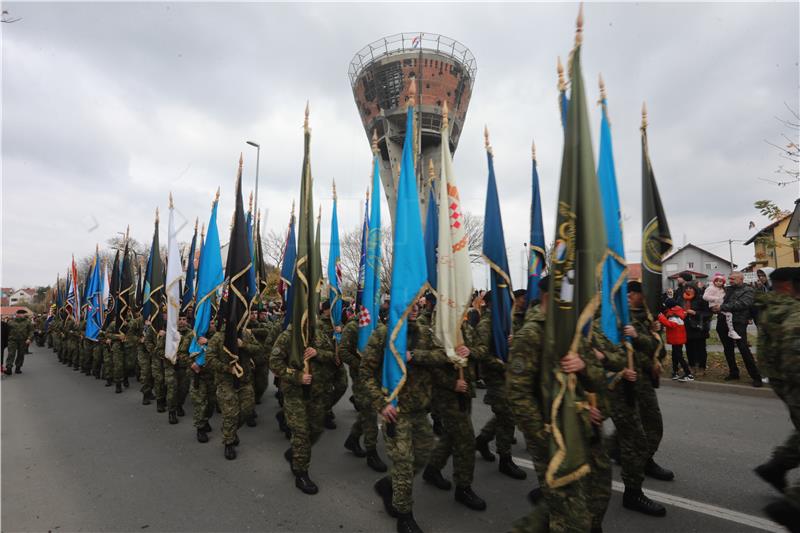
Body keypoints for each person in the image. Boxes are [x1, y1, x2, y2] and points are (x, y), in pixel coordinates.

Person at [362, 304, 449, 533]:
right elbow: (366, 373)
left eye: (417, 303)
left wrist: (414, 356)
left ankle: (387, 485)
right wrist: (381, 404)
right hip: (395, 411)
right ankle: (404, 515)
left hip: (420, 411)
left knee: (422, 455)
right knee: (403, 463)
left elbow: (442, 356)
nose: (415, 308)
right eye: (409, 303)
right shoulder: (382, 334)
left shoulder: (424, 332)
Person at [609, 281, 670, 517]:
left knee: (642, 429)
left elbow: (659, 349)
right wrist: (643, 342)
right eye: (638, 293)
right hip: (622, 381)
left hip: (642, 380)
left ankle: (640, 461)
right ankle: (633, 484)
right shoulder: (616, 318)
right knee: (637, 434)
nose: (642, 297)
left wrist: (649, 337)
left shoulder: (646, 317)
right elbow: (619, 352)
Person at [754, 267, 800, 530]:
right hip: (792, 379)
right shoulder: (790, 310)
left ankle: (776, 466)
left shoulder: (772, 306)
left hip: (781, 379)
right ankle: (794, 505)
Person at [270, 324, 334, 493]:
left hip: (316, 393)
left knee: (317, 429)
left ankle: (296, 452)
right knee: (301, 434)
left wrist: (317, 353)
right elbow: (274, 362)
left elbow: (332, 355)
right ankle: (301, 473)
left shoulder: (319, 334)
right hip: (294, 394)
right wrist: (297, 376)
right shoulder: (287, 336)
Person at [206, 322, 257, 461]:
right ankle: (228, 443)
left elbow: (259, 349)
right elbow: (209, 359)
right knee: (230, 413)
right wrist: (227, 368)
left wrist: (244, 345)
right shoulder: (217, 337)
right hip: (225, 382)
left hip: (244, 381)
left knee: (247, 410)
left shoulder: (246, 334)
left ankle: (230, 430)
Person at [709, 272, 763, 387]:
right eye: (730, 278)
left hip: (738, 323)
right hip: (723, 321)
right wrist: (714, 308)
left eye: (733, 279)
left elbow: (743, 304)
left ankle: (756, 376)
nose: (731, 280)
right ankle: (733, 372)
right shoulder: (727, 289)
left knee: (743, 349)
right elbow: (716, 299)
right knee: (728, 349)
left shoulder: (748, 290)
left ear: (741, 279)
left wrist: (722, 307)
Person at [657, 298, 693, 381]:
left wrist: (661, 317)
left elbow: (671, 325)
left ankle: (688, 374)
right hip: (676, 338)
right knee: (675, 355)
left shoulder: (673, 314)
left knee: (679, 356)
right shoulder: (677, 311)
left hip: (677, 338)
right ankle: (675, 372)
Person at [681, 285, 710, 376]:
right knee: (689, 348)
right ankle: (692, 366)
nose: (688, 289)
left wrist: (695, 313)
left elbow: (708, 313)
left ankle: (702, 367)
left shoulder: (701, 299)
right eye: (687, 288)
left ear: (695, 290)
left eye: (691, 288)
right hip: (686, 327)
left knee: (700, 348)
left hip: (699, 328)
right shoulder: (681, 299)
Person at [703, 273, 740, 340]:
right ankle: (731, 331)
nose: (718, 283)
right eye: (716, 281)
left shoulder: (723, 289)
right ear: (714, 281)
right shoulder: (711, 288)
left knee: (728, 315)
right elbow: (705, 297)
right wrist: (716, 298)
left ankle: (731, 331)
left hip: (721, 305)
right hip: (714, 305)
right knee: (729, 314)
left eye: (720, 281)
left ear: (723, 282)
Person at [5, 309, 33, 375]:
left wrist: (29, 338)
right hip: (12, 340)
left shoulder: (27, 322)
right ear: (17, 314)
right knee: (11, 354)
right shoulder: (10, 322)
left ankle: (18, 367)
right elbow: (6, 331)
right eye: (21, 314)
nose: (23, 315)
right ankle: (9, 368)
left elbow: (31, 331)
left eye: (23, 314)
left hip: (23, 341)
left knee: (21, 354)